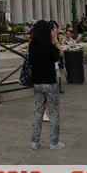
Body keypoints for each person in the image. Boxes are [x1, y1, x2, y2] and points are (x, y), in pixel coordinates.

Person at [28, 19, 64, 150]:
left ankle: (35, 141)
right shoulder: (48, 44)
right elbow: (60, 53)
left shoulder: (32, 44)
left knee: (38, 111)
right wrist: (55, 40)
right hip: (50, 81)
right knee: (53, 112)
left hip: (37, 82)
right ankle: (54, 142)